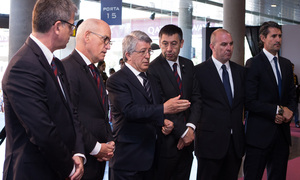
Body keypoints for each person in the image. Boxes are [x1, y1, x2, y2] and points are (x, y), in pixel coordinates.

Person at [2, 0, 85, 179]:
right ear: (57, 27)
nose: (72, 31)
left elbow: (71, 113)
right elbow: (42, 131)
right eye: (71, 25)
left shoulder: (56, 65)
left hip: (56, 166)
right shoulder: (23, 66)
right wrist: (70, 168)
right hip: (34, 172)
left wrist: (78, 152)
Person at [106, 30, 191, 180]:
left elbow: (152, 109)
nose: (147, 56)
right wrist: (164, 108)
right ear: (128, 55)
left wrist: (163, 122)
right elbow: (130, 111)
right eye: (142, 52)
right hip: (129, 160)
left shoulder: (150, 78)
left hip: (153, 158)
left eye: (149, 51)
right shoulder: (117, 80)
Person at [62, 18, 115, 180]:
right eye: (105, 40)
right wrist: (96, 147)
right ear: (87, 36)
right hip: (79, 160)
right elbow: (70, 117)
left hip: (99, 160)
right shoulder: (67, 68)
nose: (108, 46)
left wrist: (109, 143)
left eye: (109, 42)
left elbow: (100, 114)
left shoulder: (94, 71)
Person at [244, 21, 297, 180]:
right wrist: (278, 110)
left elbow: (292, 96)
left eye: (280, 36)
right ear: (262, 38)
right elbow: (249, 101)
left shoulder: (286, 64)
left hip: (281, 135)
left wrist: (290, 112)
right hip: (259, 135)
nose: (278, 39)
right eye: (273, 36)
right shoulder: (253, 63)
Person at [148, 24, 201, 180]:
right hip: (166, 142)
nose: (169, 49)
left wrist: (190, 129)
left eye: (174, 43)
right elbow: (160, 104)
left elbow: (196, 99)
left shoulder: (189, 65)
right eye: (165, 44)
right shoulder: (153, 69)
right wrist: (182, 132)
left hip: (188, 142)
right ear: (160, 43)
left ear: (181, 43)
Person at [194, 28, 245, 180]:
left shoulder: (240, 72)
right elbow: (194, 105)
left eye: (231, 44)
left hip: (235, 144)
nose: (228, 48)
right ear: (212, 47)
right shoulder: (198, 72)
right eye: (223, 44)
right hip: (209, 144)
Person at [292, 63, 300, 127]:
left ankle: (297, 122)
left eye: (293, 68)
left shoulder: (295, 76)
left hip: (295, 95)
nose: (293, 69)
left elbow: (297, 85)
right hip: (287, 96)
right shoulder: (285, 75)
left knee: (296, 110)